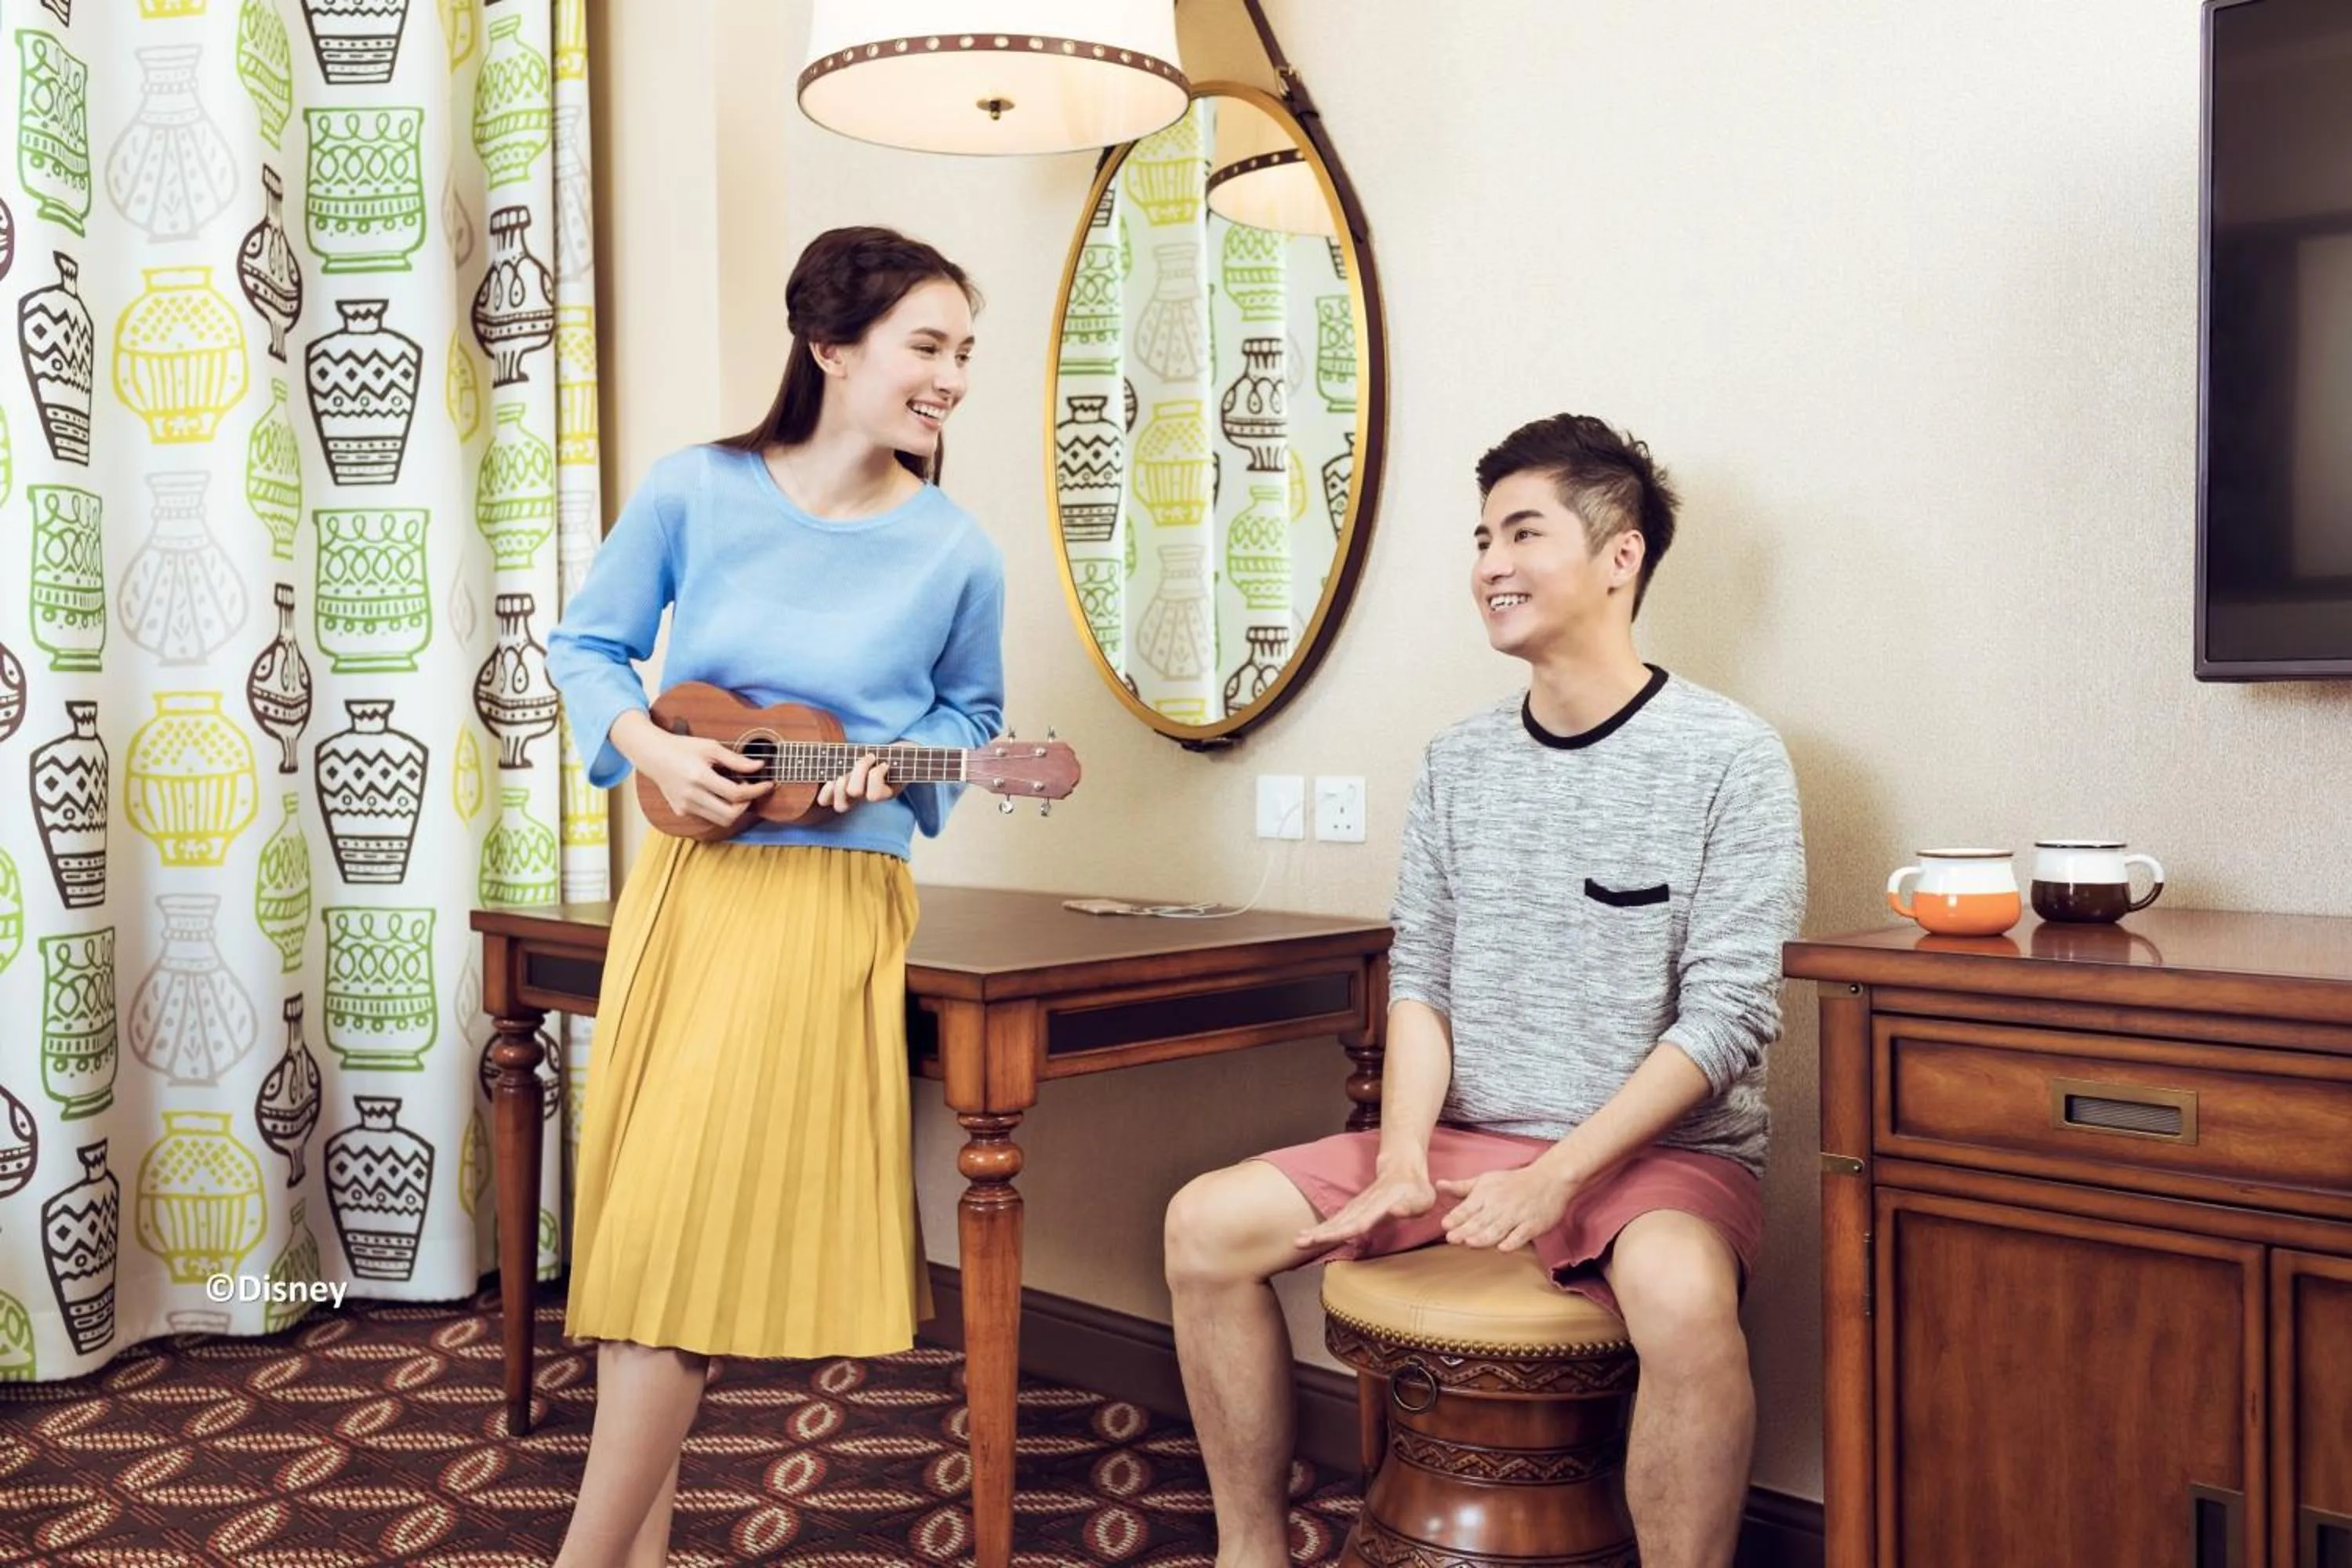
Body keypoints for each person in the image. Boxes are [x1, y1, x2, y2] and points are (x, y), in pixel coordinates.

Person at [1163, 414, 1806, 1568]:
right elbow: (1422, 979)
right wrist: (1404, 1157)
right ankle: (1248, 1553)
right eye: (1480, 538)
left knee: (1681, 1298)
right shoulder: (1458, 760)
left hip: (1659, 1158)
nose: (1490, 564)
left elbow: (1728, 1020)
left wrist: (1559, 1175)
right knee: (1203, 1223)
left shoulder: (1730, 756)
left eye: (1523, 532)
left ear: (1620, 556)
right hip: (1464, 1143)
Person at [543, 226, 1005, 1568]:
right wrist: (655, 749)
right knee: (646, 1248)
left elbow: (975, 723)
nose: (952, 377)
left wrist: (891, 768)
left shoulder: (956, 552)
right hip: (690, 889)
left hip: (826, 909)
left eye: (964, 352)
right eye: (928, 346)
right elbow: (588, 647)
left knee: (673, 1259)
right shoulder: (696, 490)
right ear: (831, 349)